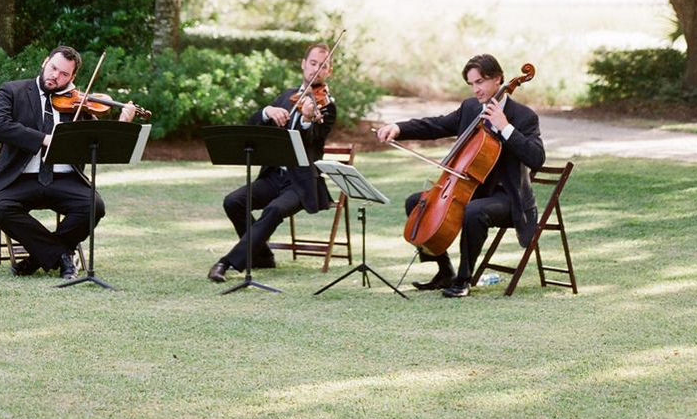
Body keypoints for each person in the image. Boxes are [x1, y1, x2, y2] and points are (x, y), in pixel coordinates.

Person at [375, 53, 544, 298]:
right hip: (471, 189)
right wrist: (398, 128)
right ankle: (445, 271)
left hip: (507, 196)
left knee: (474, 210)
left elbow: (537, 158)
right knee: (417, 202)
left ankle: (464, 279)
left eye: (480, 82)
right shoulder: (470, 108)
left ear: (498, 79)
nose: (476, 89)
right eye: (471, 84)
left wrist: (505, 126)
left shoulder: (524, 116)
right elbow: (437, 125)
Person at [0, 46, 136, 279]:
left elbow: (97, 143)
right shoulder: (13, 91)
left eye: (64, 74)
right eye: (54, 68)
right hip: (21, 178)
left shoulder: (79, 103)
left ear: (73, 77)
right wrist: (44, 139)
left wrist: (122, 123)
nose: (56, 76)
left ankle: (37, 258)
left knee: (94, 206)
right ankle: (63, 256)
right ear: (45, 62)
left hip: (64, 179)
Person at [207, 42, 337, 283]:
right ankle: (262, 254)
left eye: (323, 66)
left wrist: (308, 119)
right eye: (313, 63)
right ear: (303, 64)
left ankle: (226, 262)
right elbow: (251, 125)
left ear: (329, 72)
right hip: (273, 176)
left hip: (301, 183)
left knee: (274, 209)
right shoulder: (287, 96)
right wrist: (267, 111)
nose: (316, 70)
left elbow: (313, 139)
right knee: (233, 201)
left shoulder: (327, 107)